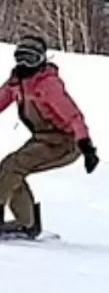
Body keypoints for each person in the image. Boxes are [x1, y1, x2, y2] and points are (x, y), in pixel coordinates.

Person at [0, 36, 99, 236]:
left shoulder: (48, 84)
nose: (24, 64)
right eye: (20, 58)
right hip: (42, 139)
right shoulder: (17, 82)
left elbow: (73, 116)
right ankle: (26, 222)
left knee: (12, 167)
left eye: (31, 59)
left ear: (41, 60)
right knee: (8, 169)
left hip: (64, 142)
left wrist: (87, 147)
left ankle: (23, 222)